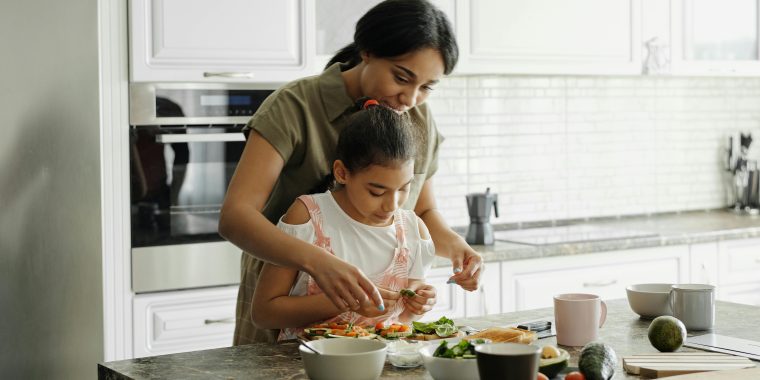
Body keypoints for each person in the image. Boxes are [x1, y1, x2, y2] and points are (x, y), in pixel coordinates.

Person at [219, 0, 483, 344]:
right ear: (368, 52)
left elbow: (422, 211)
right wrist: (319, 263)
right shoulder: (295, 106)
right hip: (284, 311)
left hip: (373, 333)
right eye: (402, 77)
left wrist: (458, 247)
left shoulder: (419, 118)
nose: (411, 98)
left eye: (427, 87)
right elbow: (235, 217)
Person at [251, 101, 437, 340]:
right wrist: (345, 302)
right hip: (307, 365)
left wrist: (419, 304)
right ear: (342, 173)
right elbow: (264, 313)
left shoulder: (413, 230)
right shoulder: (308, 217)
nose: (392, 205)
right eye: (377, 192)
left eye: (404, 189)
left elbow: (403, 320)